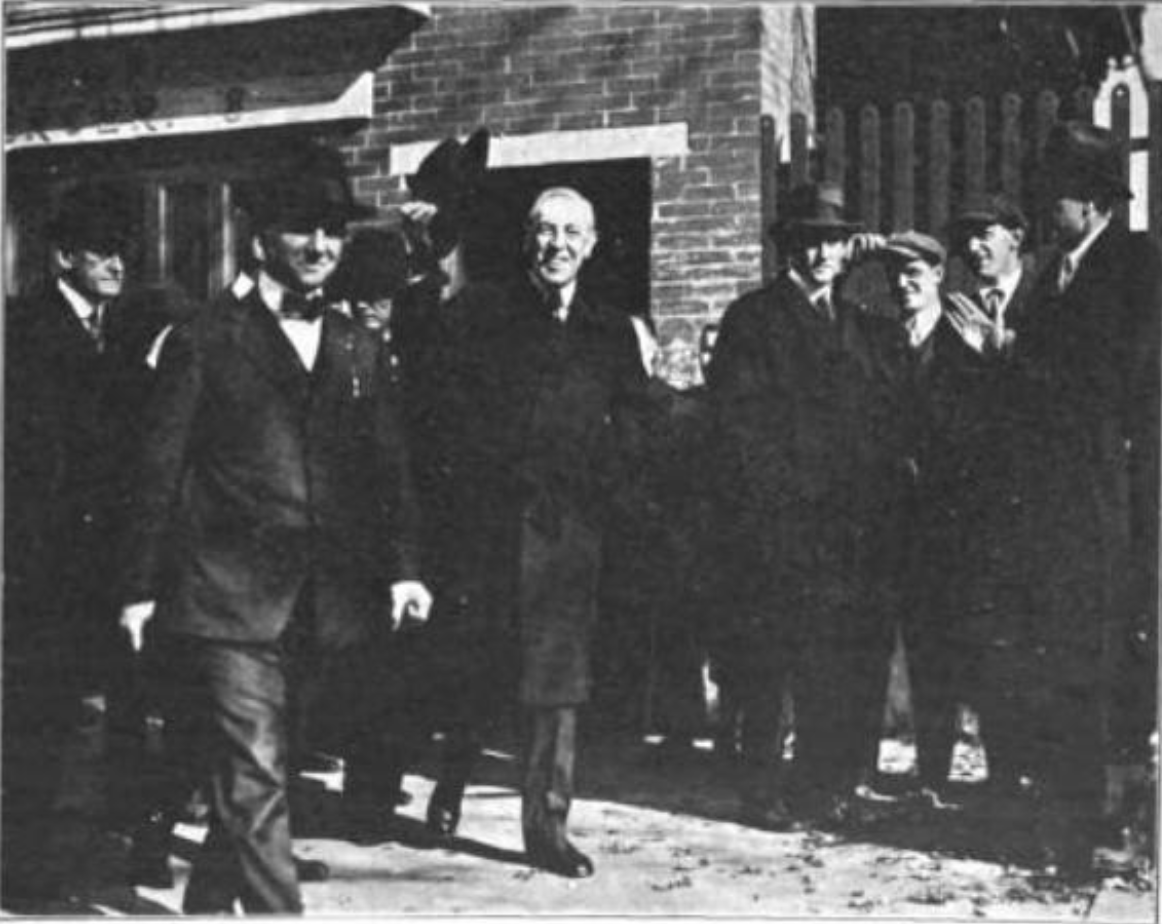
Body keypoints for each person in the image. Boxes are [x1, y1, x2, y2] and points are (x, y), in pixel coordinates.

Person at [116, 141, 433, 914]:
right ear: (261, 237)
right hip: (224, 601)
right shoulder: (205, 338)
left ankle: (205, 907)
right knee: (257, 779)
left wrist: (404, 568)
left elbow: (386, 470)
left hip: (320, 606)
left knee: (262, 773)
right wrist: (136, 588)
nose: (322, 246)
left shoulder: (359, 344)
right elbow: (156, 472)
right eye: (302, 228)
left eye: (333, 230)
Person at [433, 186, 648, 877]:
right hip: (489, 529)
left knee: (556, 681)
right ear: (527, 240)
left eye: (571, 234)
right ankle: (451, 778)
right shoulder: (480, 312)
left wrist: (603, 499)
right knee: (478, 669)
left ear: (591, 245)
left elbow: (634, 424)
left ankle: (546, 826)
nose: (557, 245)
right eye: (545, 232)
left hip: (566, 537)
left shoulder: (610, 329)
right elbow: (446, 420)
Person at [965, 120, 1160, 879]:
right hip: (1048, 515)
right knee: (1056, 673)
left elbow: (1121, 383)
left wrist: (1018, 358)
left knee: (1107, 672)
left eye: (1057, 197)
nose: (1048, 210)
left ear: (1091, 200)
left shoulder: (1137, 268)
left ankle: (1112, 831)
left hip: (1110, 508)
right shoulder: (1053, 274)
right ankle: (1068, 823)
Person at [706, 181, 899, 832]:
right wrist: (779, 503)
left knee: (829, 660)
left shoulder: (856, 323)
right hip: (778, 522)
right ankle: (760, 788)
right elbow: (739, 427)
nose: (823, 254)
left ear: (848, 250)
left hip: (843, 528)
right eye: (811, 241)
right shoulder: (753, 319)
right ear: (790, 246)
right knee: (770, 658)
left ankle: (824, 787)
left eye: (835, 242)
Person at [3, 183, 167, 901]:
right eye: (100, 249)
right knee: (45, 716)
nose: (116, 262)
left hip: (101, 566)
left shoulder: (115, 333)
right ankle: (32, 880)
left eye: (122, 250)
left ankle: (91, 859)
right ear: (63, 254)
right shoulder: (24, 331)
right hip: (42, 565)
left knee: (99, 717)